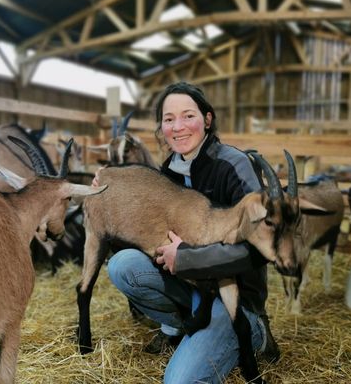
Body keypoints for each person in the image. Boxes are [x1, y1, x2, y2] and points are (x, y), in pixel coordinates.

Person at [104, 82, 278, 383]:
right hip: (193, 289)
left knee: (180, 381)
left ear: (207, 120)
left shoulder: (234, 165)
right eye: (168, 119)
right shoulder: (168, 172)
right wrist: (109, 194)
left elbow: (257, 250)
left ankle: (255, 334)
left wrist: (187, 258)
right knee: (123, 266)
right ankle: (185, 328)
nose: (178, 127)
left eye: (188, 116)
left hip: (234, 299)